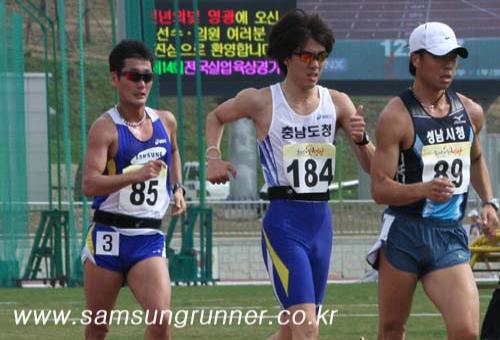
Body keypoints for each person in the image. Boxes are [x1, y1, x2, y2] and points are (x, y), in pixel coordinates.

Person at [206, 9, 374, 339]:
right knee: (307, 329)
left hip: (321, 223)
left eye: (321, 56)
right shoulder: (261, 101)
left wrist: (361, 138)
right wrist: (213, 157)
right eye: (306, 55)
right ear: (286, 57)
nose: (315, 63)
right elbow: (216, 116)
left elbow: (371, 165)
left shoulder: (338, 103)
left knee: (291, 333)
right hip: (284, 223)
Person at [368, 22, 499, 339]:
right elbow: (379, 187)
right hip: (405, 234)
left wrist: (488, 202)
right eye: (440, 56)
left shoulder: (470, 111)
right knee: (391, 329)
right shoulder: (396, 116)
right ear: (416, 59)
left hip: (449, 236)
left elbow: (476, 158)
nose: (449, 64)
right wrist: (422, 189)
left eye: (454, 56)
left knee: (466, 331)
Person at [81, 39, 186, 339]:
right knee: (98, 327)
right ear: (115, 78)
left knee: (161, 319)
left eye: (147, 77)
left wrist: (177, 187)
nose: (142, 84)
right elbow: (89, 184)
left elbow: (174, 151)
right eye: (133, 76)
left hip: (148, 237)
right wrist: (135, 176)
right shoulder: (105, 128)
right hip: (108, 236)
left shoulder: (165, 121)